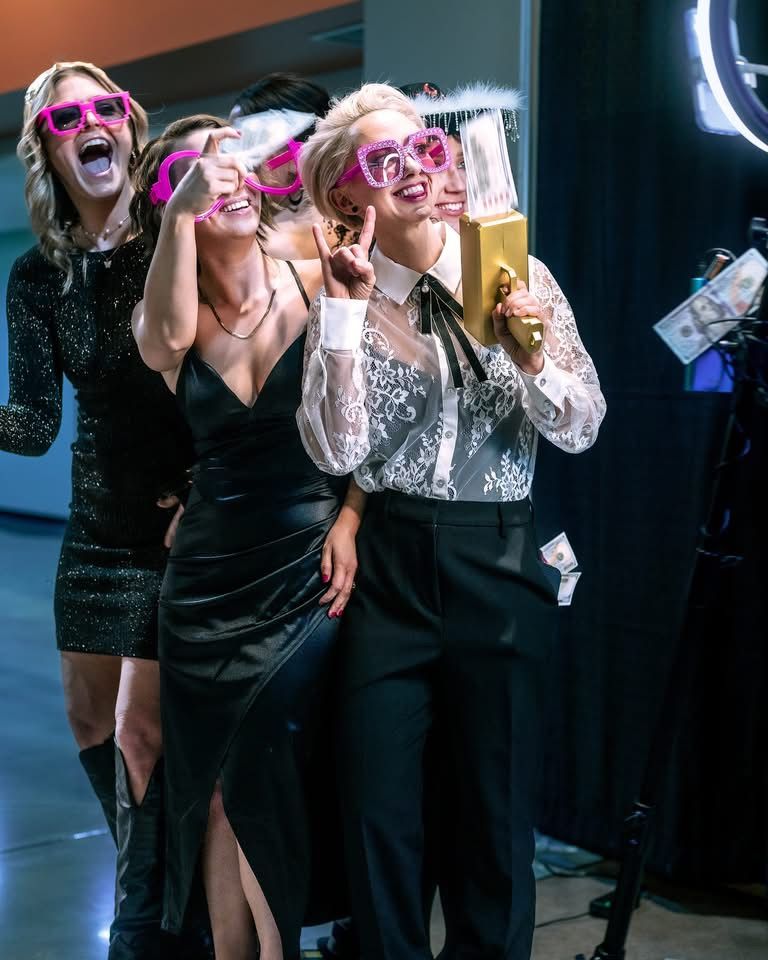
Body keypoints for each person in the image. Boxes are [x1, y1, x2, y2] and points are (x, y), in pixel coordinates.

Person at [297, 83, 606, 960]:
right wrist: (348, 314)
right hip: (387, 567)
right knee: (379, 815)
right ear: (345, 194)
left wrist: (533, 355)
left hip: (498, 557)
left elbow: (583, 425)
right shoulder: (347, 298)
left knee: (495, 819)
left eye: (424, 151)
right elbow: (333, 447)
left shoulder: (514, 272)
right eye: (384, 160)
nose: (415, 172)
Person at [130, 113, 362, 960]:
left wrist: (353, 516)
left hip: (307, 567)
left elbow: (373, 418)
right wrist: (173, 218)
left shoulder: (314, 274)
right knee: (217, 790)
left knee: (267, 768)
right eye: (191, 173)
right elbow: (161, 341)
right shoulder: (169, 318)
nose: (218, 180)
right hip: (204, 588)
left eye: (228, 164)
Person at [0, 61, 203, 960]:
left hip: (178, 521)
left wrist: (210, 491)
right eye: (65, 116)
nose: (90, 124)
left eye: (105, 108)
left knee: (146, 731)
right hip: (93, 529)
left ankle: (150, 926)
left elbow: (229, 371)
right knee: (93, 725)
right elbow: (36, 423)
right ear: (48, 146)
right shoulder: (36, 278)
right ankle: (153, 884)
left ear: (129, 126)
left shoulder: (177, 234)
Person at [230, 72, 358, 259]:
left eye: (249, 141)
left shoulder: (257, 243)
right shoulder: (362, 215)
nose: (236, 156)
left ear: (296, 151)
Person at [403, 80, 523, 231]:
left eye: (464, 164)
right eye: (435, 164)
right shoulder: (367, 255)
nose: (458, 186)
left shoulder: (514, 255)